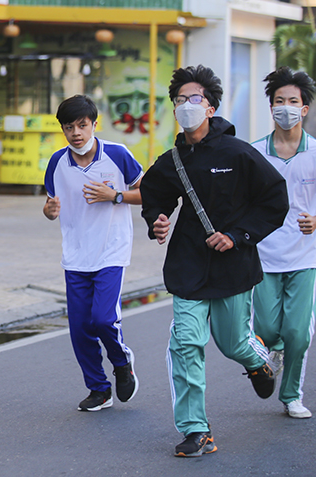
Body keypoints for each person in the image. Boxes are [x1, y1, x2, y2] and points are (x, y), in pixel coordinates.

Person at [139, 65, 289, 457]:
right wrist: (156, 218)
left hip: (232, 266)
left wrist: (239, 235)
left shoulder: (238, 153)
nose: (186, 106)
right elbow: (154, 193)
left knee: (232, 341)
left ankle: (259, 362)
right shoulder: (172, 159)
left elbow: (274, 200)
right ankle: (196, 429)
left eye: (195, 99)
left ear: (210, 107)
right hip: (188, 264)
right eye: (180, 101)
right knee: (186, 343)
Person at [43, 94, 142, 413]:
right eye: (69, 127)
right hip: (75, 255)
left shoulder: (117, 155)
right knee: (80, 327)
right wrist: (49, 210)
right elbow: (49, 206)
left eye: (82, 125)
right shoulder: (57, 162)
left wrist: (115, 196)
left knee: (103, 318)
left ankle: (122, 363)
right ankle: (98, 388)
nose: (76, 133)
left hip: (111, 251)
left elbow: (148, 193)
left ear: (94, 125)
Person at [251, 66, 316, 419]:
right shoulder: (254, 152)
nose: (286, 107)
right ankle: (273, 349)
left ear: (304, 109)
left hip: (305, 256)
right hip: (264, 255)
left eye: (293, 101)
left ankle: (291, 394)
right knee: (265, 329)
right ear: (271, 107)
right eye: (279, 101)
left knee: (298, 333)